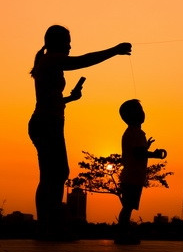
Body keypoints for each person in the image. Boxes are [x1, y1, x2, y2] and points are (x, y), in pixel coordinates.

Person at [29, 25, 131, 239]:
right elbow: (83, 60)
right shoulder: (51, 60)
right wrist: (114, 50)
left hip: (49, 122)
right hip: (46, 123)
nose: (70, 46)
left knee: (53, 174)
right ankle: (47, 227)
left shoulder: (48, 62)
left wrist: (69, 99)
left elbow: (49, 98)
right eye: (67, 41)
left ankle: (47, 226)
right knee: (54, 174)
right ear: (56, 43)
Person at [116, 99, 165, 244]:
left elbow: (137, 150)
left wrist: (146, 147)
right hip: (133, 175)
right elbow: (138, 153)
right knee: (128, 207)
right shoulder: (135, 133)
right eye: (140, 110)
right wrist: (154, 154)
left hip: (132, 175)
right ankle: (122, 234)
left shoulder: (134, 132)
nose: (143, 113)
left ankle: (123, 233)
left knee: (128, 206)